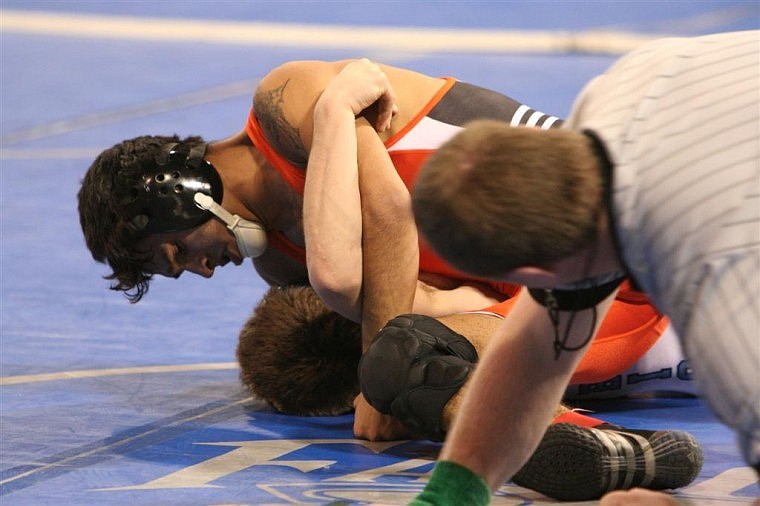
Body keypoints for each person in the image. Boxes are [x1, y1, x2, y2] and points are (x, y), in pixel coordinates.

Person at [76, 58, 576, 440]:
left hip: (577, 208)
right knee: (438, 366)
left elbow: (387, 213)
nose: (203, 271)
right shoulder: (280, 260)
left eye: (177, 256)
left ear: (180, 196)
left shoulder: (287, 100)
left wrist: (385, 382)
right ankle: (598, 447)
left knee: (367, 316)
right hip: (545, 291)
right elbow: (434, 301)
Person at [409, 31, 759, 505]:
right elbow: (535, 349)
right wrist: (447, 498)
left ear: (535, 273)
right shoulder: (621, 90)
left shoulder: (727, 298)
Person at [237, 285, 702, 501]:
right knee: (402, 356)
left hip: (648, 319)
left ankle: (612, 442)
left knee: (400, 354)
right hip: (671, 324)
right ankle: (610, 444)